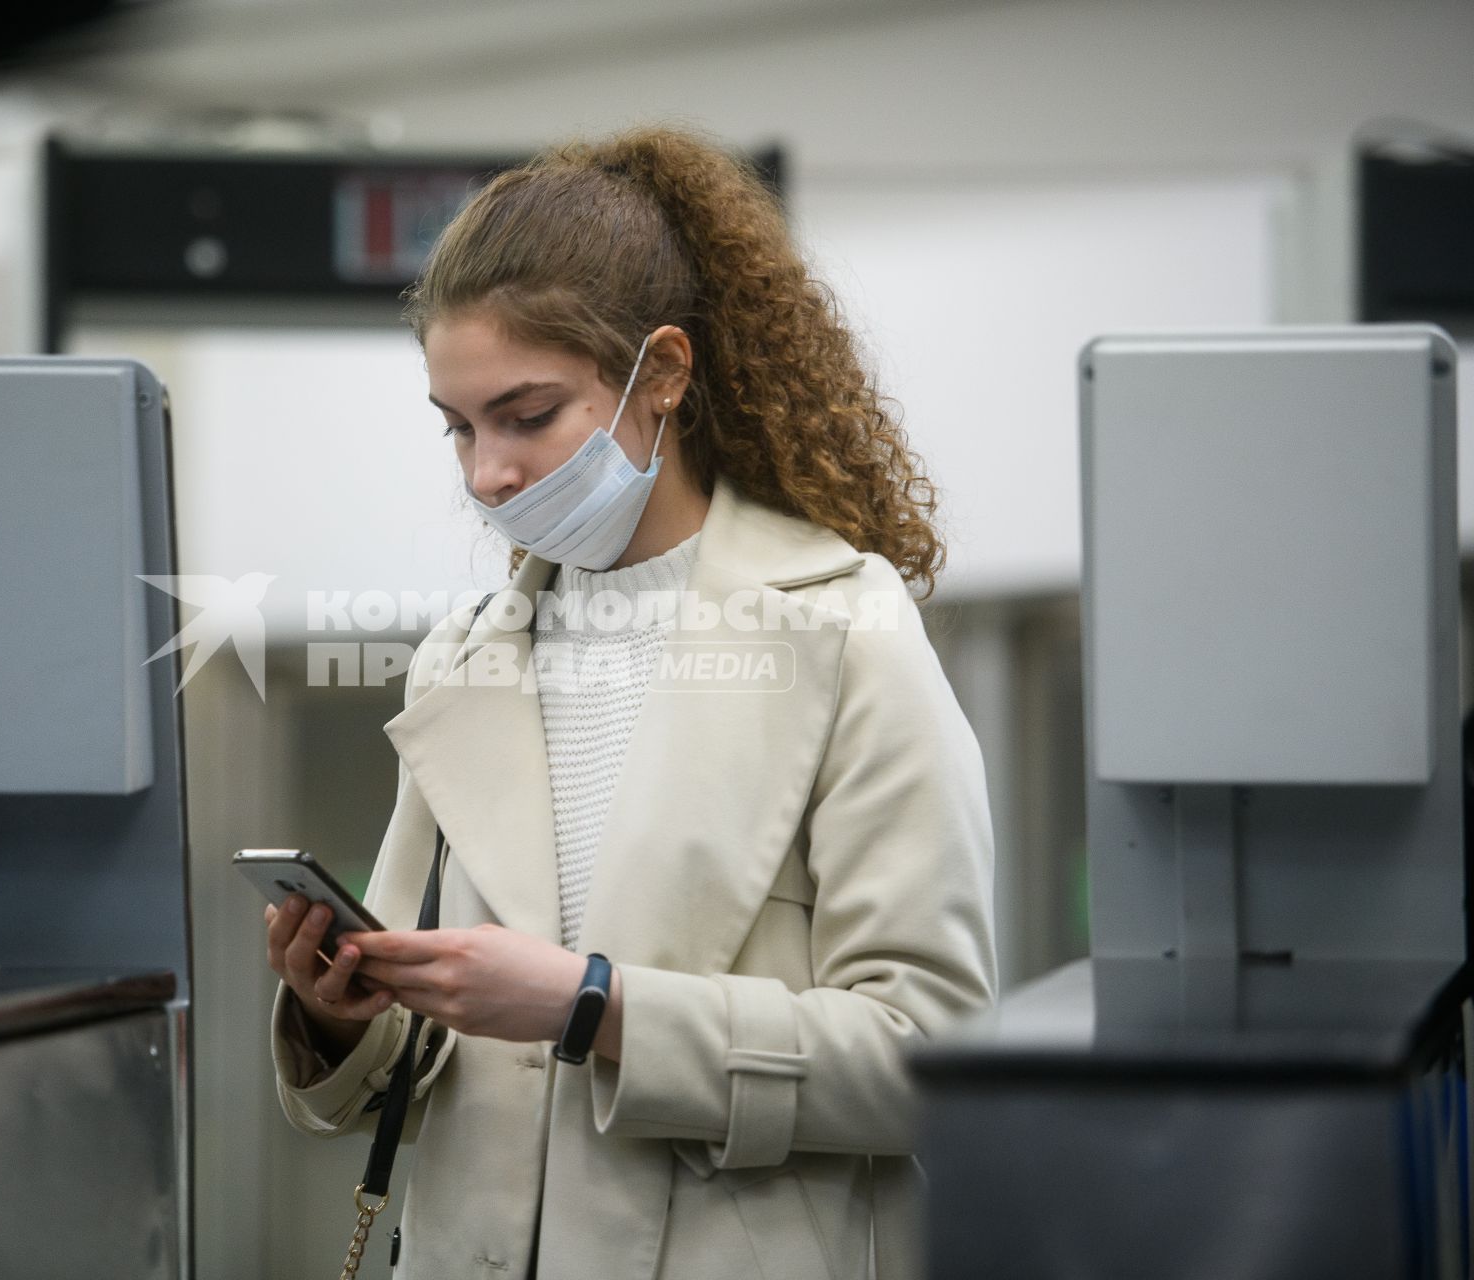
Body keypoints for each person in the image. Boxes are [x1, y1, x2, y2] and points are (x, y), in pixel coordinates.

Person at [264, 124, 997, 1280]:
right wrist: (342, 1008)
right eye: (457, 425)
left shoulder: (845, 626)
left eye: (527, 413)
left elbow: (930, 1056)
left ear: (662, 373)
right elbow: (419, 1053)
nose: (485, 474)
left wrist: (597, 1007)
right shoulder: (464, 658)